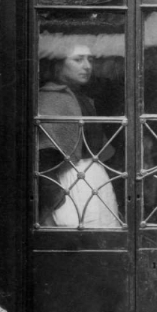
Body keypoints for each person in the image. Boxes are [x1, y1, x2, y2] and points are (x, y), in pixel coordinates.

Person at [37, 37, 121, 228]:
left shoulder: (83, 98)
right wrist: (52, 202)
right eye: (78, 59)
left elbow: (99, 147)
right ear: (59, 64)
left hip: (94, 176)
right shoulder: (50, 98)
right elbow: (44, 158)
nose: (87, 66)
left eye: (90, 60)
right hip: (67, 181)